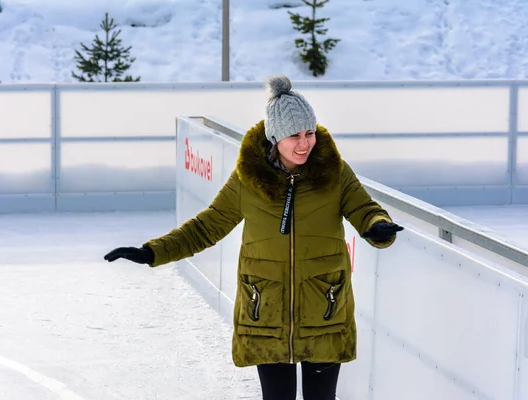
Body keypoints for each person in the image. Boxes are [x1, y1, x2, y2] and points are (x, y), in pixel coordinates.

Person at [104, 75, 403, 400]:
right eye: (294, 136)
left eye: (309, 133)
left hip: (324, 310)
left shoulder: (334, 172)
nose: (304, 143)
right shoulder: (249, 179)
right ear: (275, 137)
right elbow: (208, 225)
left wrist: (377, 225)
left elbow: (364, 208)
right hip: (266, 312)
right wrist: (152, 252)